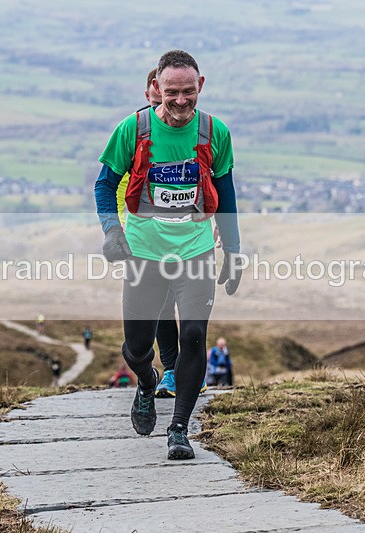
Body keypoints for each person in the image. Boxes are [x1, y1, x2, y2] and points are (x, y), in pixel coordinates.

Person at [95, 50, 242, 460]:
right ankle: (146, 381)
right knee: (136, 347)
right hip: (144, 254)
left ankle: (179, 429)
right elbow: (104, 186)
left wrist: (232, 251)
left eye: (189, 92)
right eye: (172, 92)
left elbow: (226, 195)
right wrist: (111, 231)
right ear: (157, 88)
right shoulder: (134, 129)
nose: (181, 101)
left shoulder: (215, 132)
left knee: (193, 335)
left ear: (202, 87)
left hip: (195, 251)